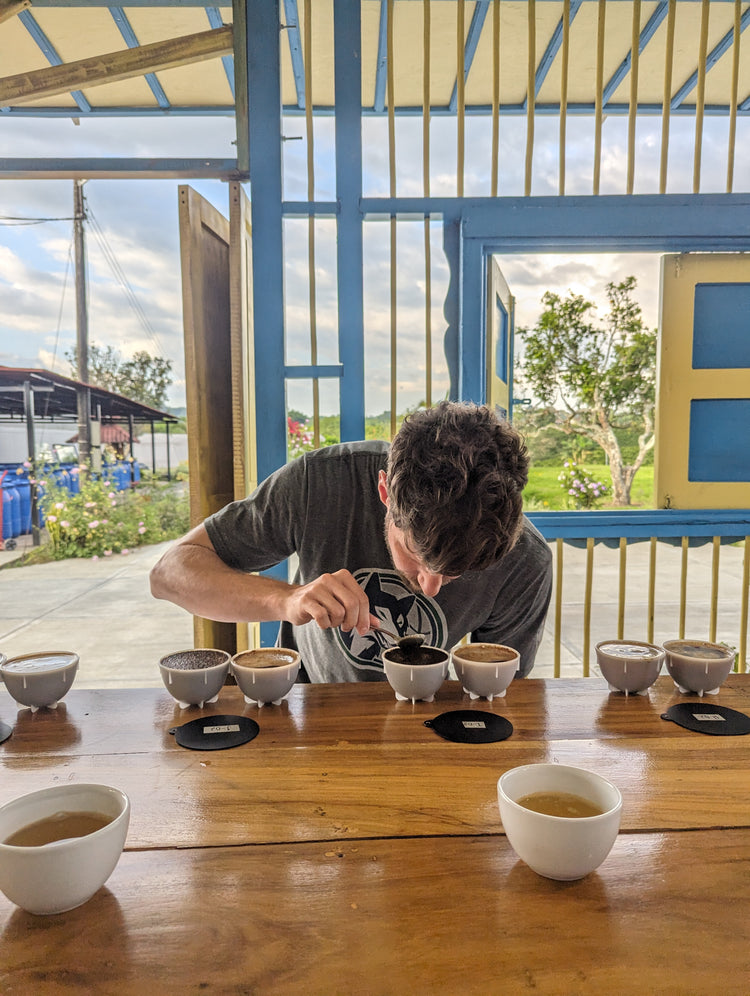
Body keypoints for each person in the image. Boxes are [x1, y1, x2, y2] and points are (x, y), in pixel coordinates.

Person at [150, 401, 552, 682]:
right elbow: (169, 573)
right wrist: (287, 600)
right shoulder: (320, 484)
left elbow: (503, 694)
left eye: (458, 572)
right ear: (384, 493)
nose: (429, 588)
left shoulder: (526, 560)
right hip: (302, 707)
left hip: (427, 723)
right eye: (414, 553)